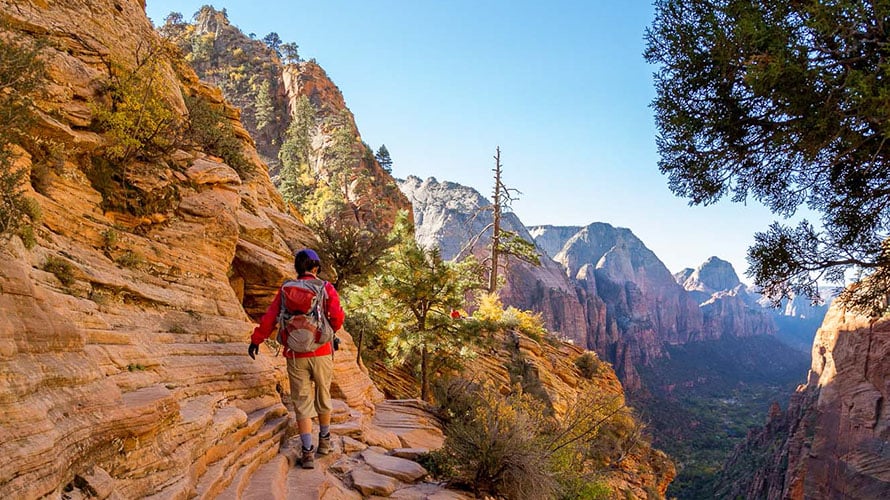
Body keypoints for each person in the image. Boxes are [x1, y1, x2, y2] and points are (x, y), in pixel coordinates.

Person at [247, 248, 345, 469]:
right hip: (321, 351)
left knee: (301, 401)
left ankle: (307, 452)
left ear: (297, 268)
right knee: (323, 394)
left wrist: (257, 339)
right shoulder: (325, 287)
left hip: (294, 353)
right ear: (315, 268)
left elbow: (270, 317)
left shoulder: (285, 289)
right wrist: (329, 332)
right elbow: (337, 317)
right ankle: (325, 443)